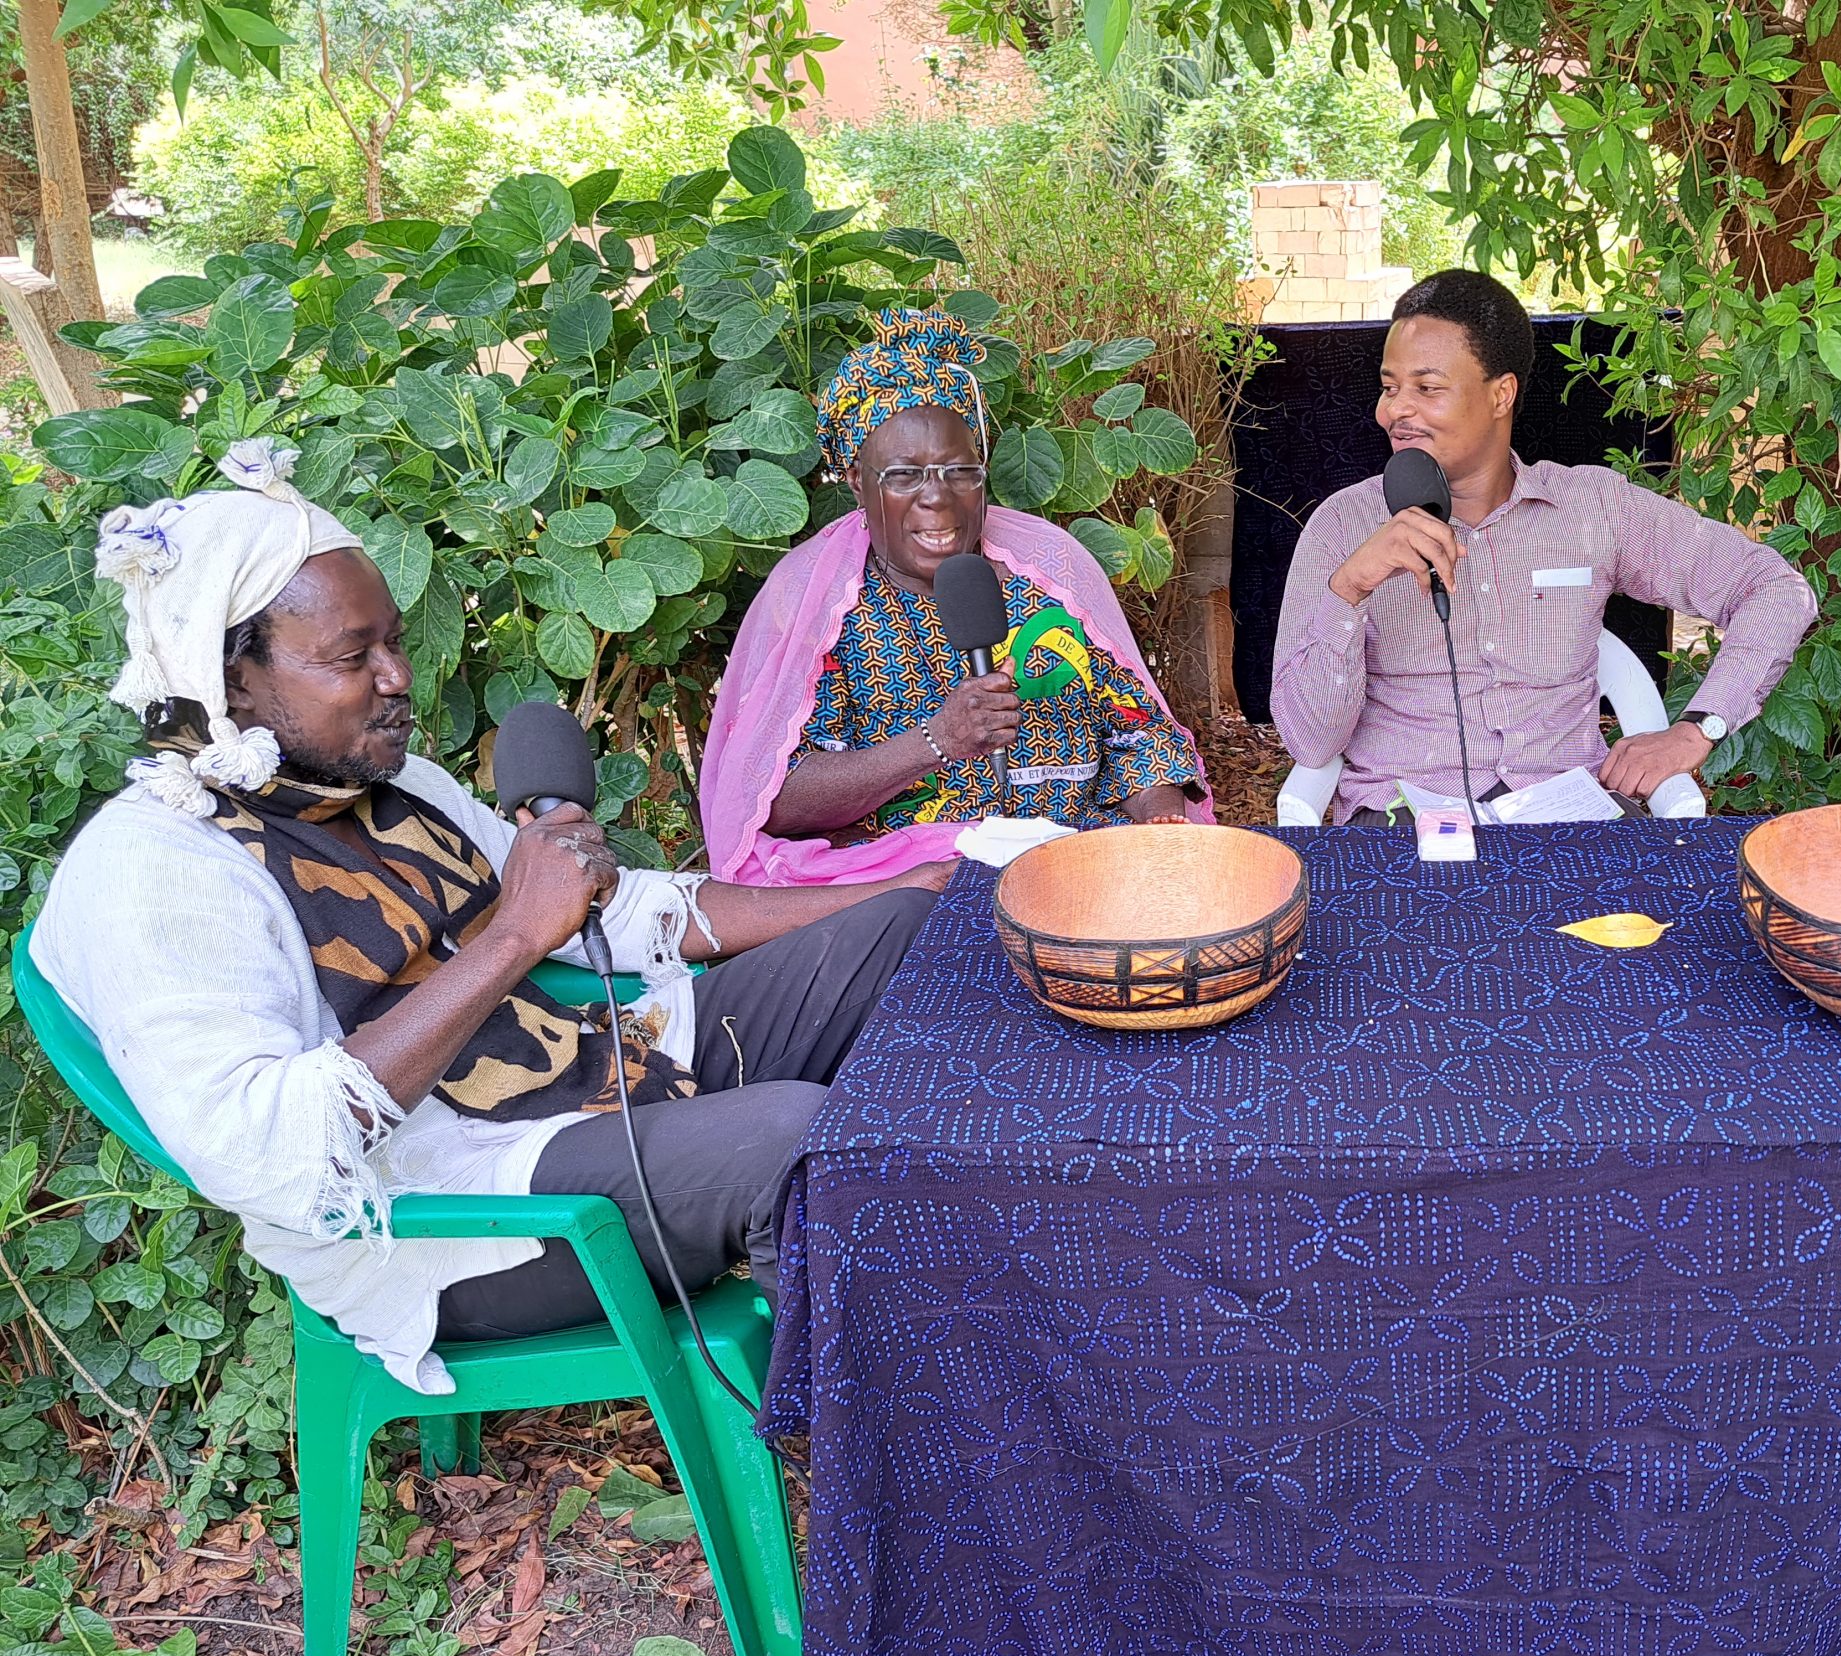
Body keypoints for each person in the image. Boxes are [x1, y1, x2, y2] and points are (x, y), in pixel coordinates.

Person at [32, 442, 946, 1397]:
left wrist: (898, 891)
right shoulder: (155, 870)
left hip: (595, 1064)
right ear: (231, 685)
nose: (396, 679)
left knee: (903, 937)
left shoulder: (390, 780)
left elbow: (614, 913)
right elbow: (268, 1156)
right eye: (352, 658)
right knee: (796, 1138)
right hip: (448, 1214)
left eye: (394, 641)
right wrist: (515, 934)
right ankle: (917, 1450)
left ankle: (1022, 1223)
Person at [1270, 268, 1817, 822]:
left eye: (1428, 388)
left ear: (1501, 394)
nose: (1395, 411)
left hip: (1570, 816)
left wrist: (1699, 728)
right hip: (1398, 819)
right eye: (1390, 388)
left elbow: (1775, 590)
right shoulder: (1342, 527)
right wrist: (1350, 589)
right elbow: (1311, 746)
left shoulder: (1594, 509)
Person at [701, 308, 1211, 887]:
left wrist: (1159, 815)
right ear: (856, 484)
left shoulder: (1052, 575)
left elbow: (1137, 728)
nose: (937, 499)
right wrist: (935, 742)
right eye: (903, 476)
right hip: (903, 898)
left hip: (1078, 874)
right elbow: (773, 799)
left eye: (959, 471)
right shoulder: (819, 610)